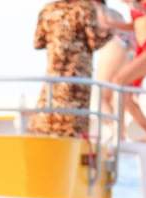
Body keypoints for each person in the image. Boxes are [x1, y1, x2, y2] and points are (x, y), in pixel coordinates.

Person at [30, 0, 110, 138]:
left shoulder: (47, 10)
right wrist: (110, 34)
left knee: (48, 118)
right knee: (74, 124)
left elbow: (38, 42)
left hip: (53, 77)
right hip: (77, 80)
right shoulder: (85, 9)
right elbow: (94, 42)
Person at [102, 0, 146, 142]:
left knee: (118, 80)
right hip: (142, 48)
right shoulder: (134, 4)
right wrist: (113, 24)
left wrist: (142, 9)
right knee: (126, 97)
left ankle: (120, 132)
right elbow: (135, 25)